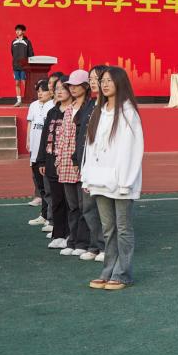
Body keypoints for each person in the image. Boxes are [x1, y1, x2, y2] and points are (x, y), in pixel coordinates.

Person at [82, 66, 144, 291]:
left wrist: (125, 180)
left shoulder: (128, 113)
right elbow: (90, 147)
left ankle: (123, 273)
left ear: (120, 83)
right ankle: (108, 271)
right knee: (108, 229)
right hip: (100, 181)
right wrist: (87, 176)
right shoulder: (98, 112)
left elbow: (132, 150)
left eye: (109, 80)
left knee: (123, 228)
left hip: (121, 182)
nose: (104, 84)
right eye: (102, 81)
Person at [56, 70, 92, 258]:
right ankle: (72, 240)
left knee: (84, 206)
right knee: (72, 206)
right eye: (70, 85)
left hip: (81, 163)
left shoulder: (89, 108)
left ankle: (83, 242)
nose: (73, 88)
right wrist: (58, 159)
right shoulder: (69, 109)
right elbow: (62, 137)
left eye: (77, 85)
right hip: (66, 164)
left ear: (86, 86)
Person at [72, 69, 104, 261]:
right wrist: (76, 158)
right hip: (86, 163)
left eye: (96, 79)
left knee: (102, 209)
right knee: (88, 207)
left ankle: (104, 247)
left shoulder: (108, 106)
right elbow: (80, 133)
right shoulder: (90, 104)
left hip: (101, 165)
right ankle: (94, 245)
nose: (93, 82)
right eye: (90, 79)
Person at [37, 79, 72, 249]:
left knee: (71, 202)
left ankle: (71, 234)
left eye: (63, 88)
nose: (59, 91)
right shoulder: (52, 112)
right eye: (57, 88)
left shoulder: (74, 111)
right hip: (52, 162)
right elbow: (45, 136)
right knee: (57, 200)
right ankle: (58, 234)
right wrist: (42, 160)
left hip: (68, 163)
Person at [25, 80, 55, 221]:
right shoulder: (33, 105)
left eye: (43, 90)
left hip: (46, 152)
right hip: (35, 151)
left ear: (51, 92)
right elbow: (30, 123)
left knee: (49, 187)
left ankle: (50, 217)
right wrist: (28, 140)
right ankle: (44, 215)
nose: (40, 93)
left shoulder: (53, 106)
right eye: (38, 91)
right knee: (41, 186)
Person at [11, 24, 35, 107]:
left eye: (19, 30)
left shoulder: (27, 42)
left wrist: (29, 66)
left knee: (25, 83)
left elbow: (31, 54)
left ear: (23, 31)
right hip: (16, 66)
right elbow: (12, 53)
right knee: (17, 83)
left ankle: (28, 99)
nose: (17, 32)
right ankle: (19, 101)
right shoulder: (13, 42)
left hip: (24, 67)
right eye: (16, 30)